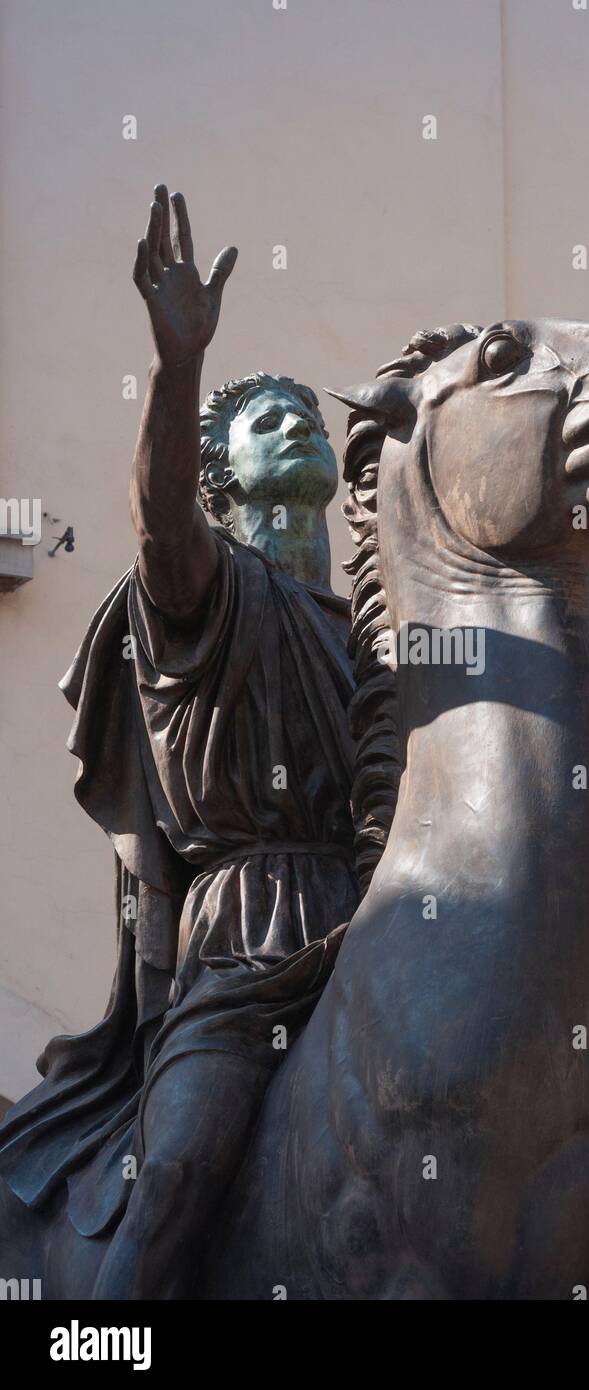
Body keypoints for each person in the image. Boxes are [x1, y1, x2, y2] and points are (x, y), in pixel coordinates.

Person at [0, 186, 357, 1298]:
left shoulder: (382, 634)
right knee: (184, 1164)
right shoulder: (201, 593)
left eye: (310, 412)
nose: (300, 421)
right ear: (221, 474)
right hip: (247, 943)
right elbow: (157, 514)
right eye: (268, 419)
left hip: (384, 922)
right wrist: (179, 368)